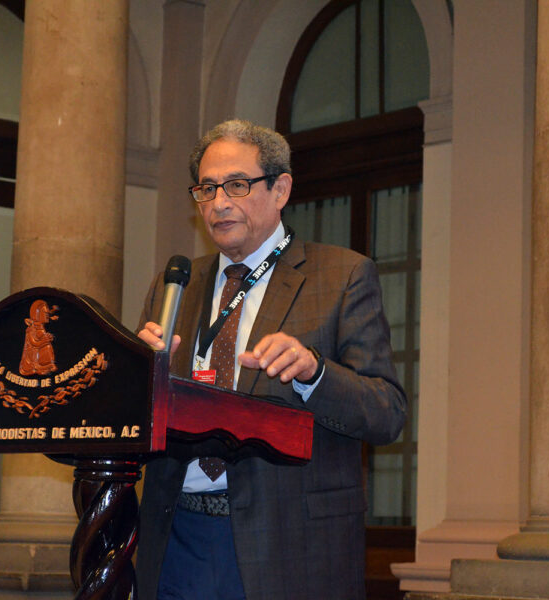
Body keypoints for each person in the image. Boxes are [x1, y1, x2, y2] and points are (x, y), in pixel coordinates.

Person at [136, 119, 406, 600]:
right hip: (178, 535)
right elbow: (143, 424)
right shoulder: (175, 284)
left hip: (288, 543)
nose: (219, 203)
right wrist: (135, 375)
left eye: (237, 186)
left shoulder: (342, 275)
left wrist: (314, 373)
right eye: (207, 189)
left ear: (280, 189)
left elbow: (387, 413)